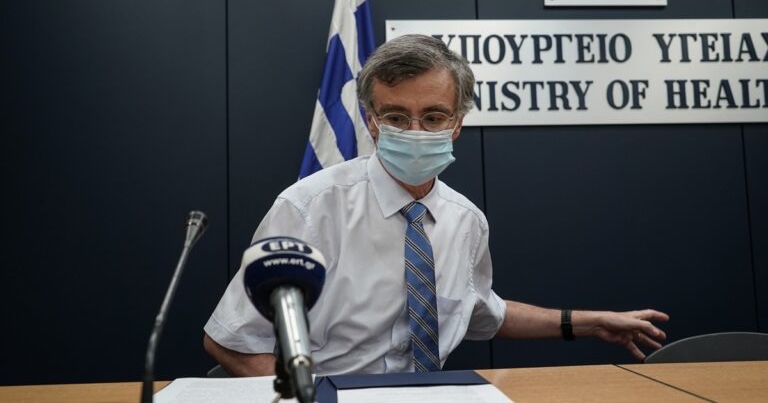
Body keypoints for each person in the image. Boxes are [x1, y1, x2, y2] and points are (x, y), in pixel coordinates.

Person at [203, 34, 669, 376]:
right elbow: (233, 340)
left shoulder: (465, 221)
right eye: (395, 116)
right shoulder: (309, 208)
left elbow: (481, 311)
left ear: (457, 123)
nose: (415, 131)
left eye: (433, 117)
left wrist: (585, 323)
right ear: (371, 122)